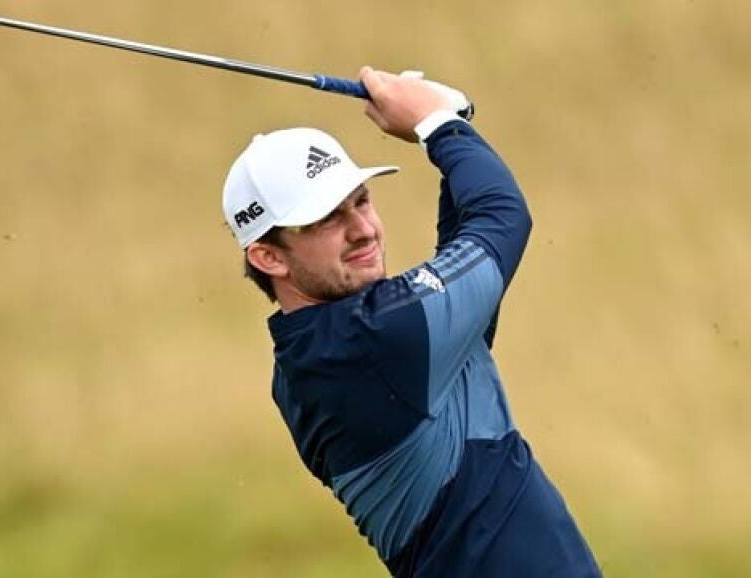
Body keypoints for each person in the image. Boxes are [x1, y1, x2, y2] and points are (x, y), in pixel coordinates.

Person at [221, 67, 601, 577]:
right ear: (269, 257)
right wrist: (438, 126)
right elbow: (502, 216)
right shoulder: (373, 340)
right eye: (327, 219)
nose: (362, 230)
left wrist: (449, 122)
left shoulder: (316, 356)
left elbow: (465, 265)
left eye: (361, 201)